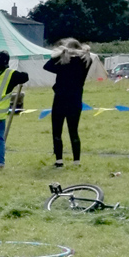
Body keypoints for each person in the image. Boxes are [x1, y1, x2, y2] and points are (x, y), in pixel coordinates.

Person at [43, 37, 92, 167]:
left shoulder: (62, 61)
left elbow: (47, 66)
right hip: (76, 98)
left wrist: (57, 54)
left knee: (57, 131)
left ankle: (59, 161)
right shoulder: (85, 60)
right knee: (74, 130)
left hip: (60, 98)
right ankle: (77, 161)